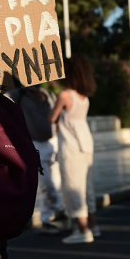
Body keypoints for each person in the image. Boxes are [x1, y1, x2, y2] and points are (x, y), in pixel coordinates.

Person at [49, 55, 99, 244]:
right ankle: (93, 226)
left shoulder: (65, 95)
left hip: (70, 145)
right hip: (86, 142)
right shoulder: (83, 97)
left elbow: (51, 117)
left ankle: (83, 230)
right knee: (87, 188)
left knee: (72, 187)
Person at [14, 85, 68, 233]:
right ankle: (62, 211)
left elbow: (56, 118)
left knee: (53, 185)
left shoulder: (48, 94)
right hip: (34, 145)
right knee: (47, 185)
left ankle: (45, 220)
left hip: (52, 143)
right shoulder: (20, 94)